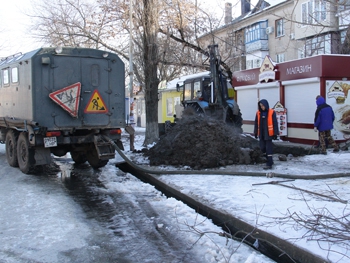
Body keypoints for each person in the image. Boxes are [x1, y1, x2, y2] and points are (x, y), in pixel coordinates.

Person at [254, 99, 279, 169]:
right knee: (262, 147)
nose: (262, 107)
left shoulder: (271, 112)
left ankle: (269, 162)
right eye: (260, 106)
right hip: (261, 133)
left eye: (263, 105)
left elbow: (275, 123)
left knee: (268, 148)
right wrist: (255, 132)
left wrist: (275, 133)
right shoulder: (258, 113)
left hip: (268, 134)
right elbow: (256, 123)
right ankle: (266, 159)